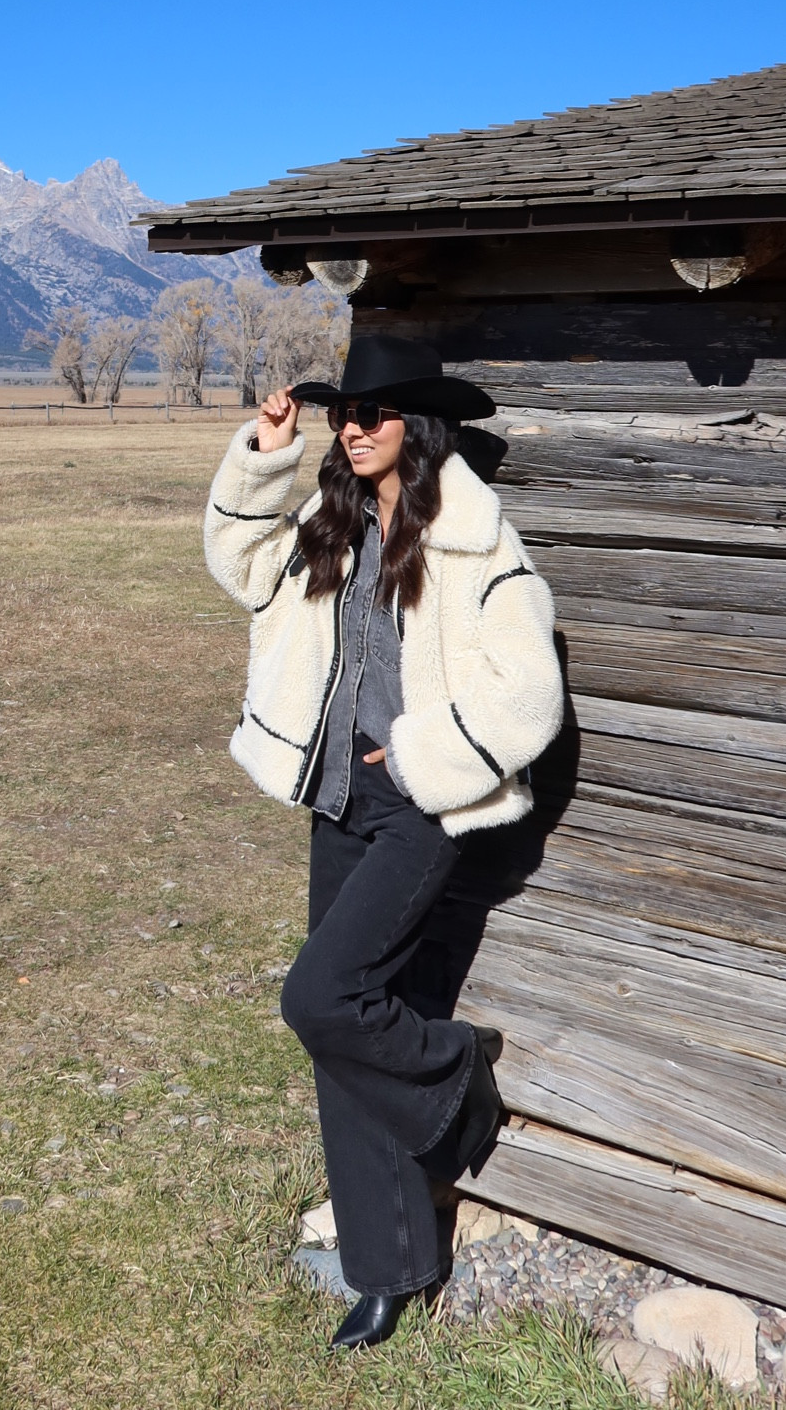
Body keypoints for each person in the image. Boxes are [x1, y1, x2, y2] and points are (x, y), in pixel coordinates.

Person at [203, 334, 565, 1350]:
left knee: (321, 997)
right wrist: (264, 450)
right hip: (335, 801)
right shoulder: (334, 520)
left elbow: (530, 688)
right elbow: (236, 562)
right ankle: (389, 1266)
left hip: (422, 807)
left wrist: (417, 758)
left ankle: (459, 1076)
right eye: (340, 413)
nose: (352, 427)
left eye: (374, 411)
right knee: (342, 1034)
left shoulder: (470, 537)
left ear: (420, 424)